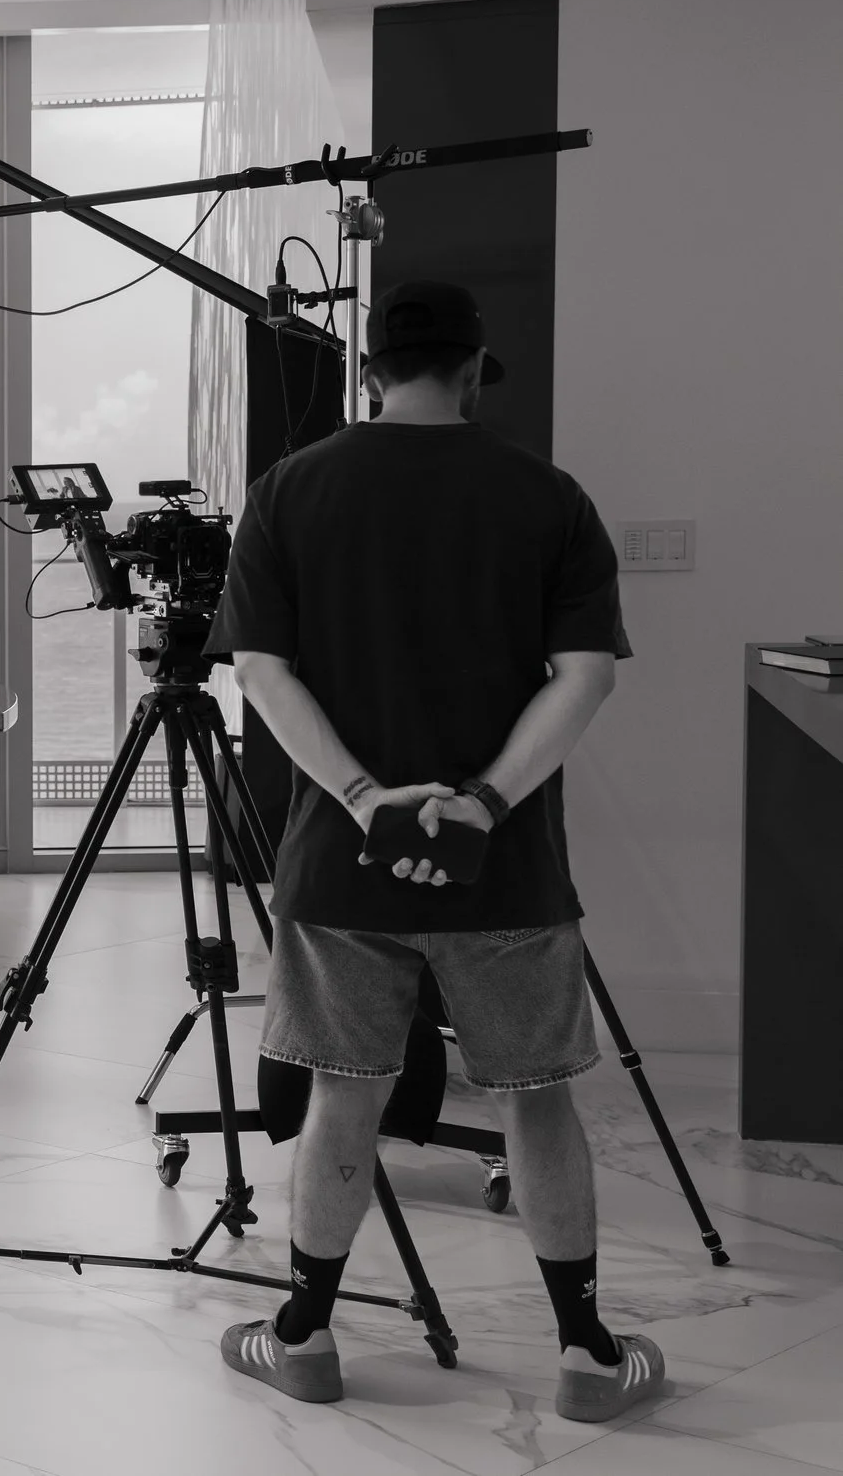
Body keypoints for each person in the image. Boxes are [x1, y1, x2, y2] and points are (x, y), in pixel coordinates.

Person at [204, 281, 661, 1420]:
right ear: (472, 372)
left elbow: (260, 671)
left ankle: (304, 1339)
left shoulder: (287, 491)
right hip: (505, 869)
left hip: (340, 861)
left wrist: (366, 797)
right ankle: (585, 1357)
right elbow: (584, 677)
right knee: (536, 1102)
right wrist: (484, 804)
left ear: (368, 374)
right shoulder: (547, 497)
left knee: (342, 1097)